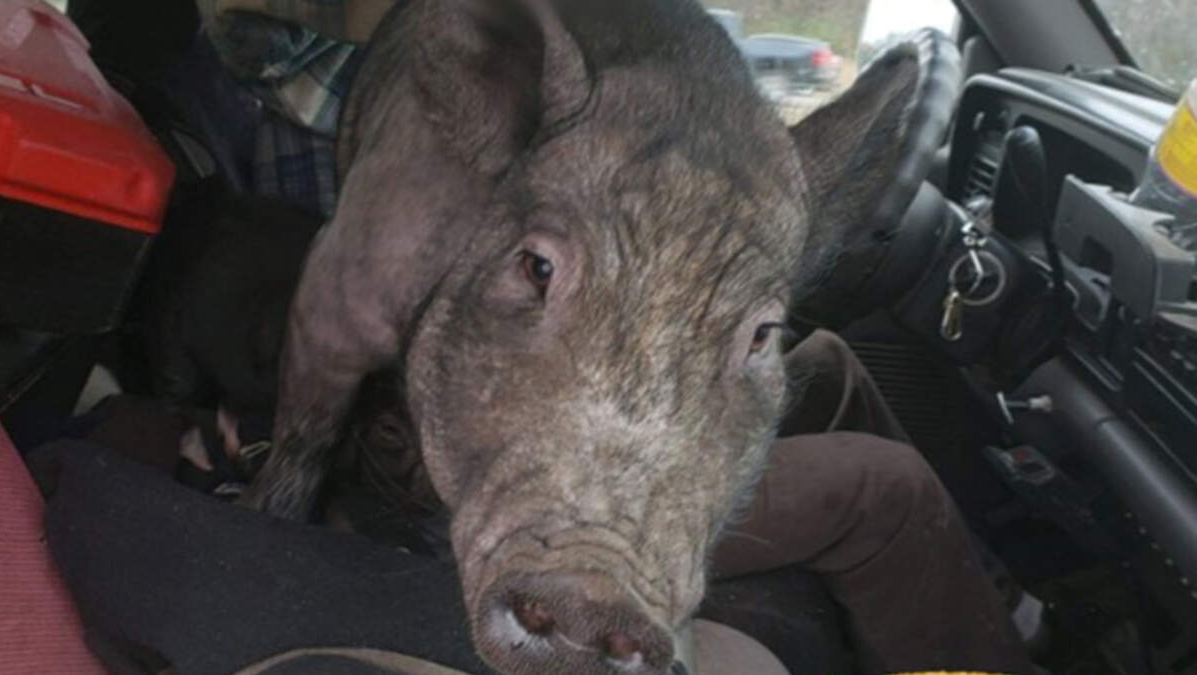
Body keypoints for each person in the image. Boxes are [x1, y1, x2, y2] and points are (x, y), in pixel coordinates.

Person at [174, 2, 1038, 672]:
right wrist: (287, 483)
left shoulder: (651, 114)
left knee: (831, 364)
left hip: (567, 430)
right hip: (486, 500)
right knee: (890, 486)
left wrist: (741, 334)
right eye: (542, 269)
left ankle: (1002, 584)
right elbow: (331, 333)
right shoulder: (424, 197)